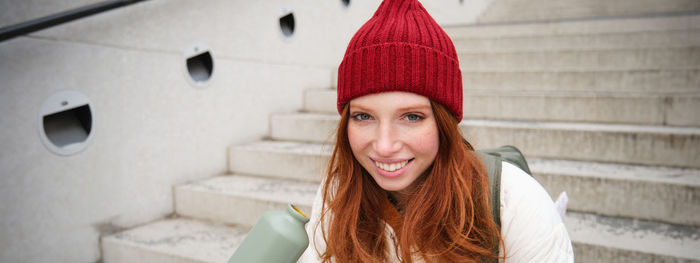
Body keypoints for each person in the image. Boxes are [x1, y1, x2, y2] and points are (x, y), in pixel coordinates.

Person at [302, 0, 574, 262]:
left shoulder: (515, 201)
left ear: (444, 123)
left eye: (411, 116)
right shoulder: (337, 194)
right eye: (363, 116)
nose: (384, 146)